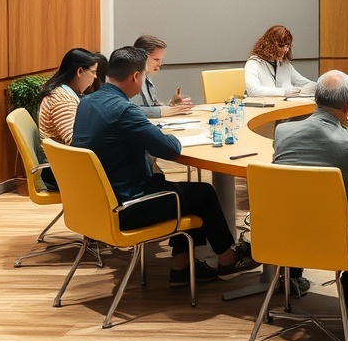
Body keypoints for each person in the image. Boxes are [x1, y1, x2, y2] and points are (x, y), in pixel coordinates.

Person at [73, 46, 258, 286]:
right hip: (127, 206)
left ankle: (181, 267)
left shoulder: (87, 102)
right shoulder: (124, 110)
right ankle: (228, 259)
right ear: (136, 77)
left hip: (95, 204)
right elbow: (170, 148)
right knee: (202, 194)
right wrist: (153, 132)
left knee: (185, 191)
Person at [272, 70, 348, 309]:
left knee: (300, 199)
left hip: (285, 233)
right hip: (337, 236)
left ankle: (292, 274)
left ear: (316, 98)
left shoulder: (283, 133)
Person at [36, 48, 102, 189]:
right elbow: (74, 141)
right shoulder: (61, 99)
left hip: (65, 164)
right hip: (60, 170)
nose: (95, 77)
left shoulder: (66, 94)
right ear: (79, 72)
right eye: (93, 72)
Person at [245, 25, 315, 98]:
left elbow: (305, 83)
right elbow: (252, 90)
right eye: (281, 46)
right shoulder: (254, 63)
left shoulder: (284, 64)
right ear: (269, 45)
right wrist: (284, 92)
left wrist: (317, 87)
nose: (286, 50)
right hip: (265, 107)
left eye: (288, 46)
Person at [132, 35, 193, 117]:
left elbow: (151, 106)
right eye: (156, 59)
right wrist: (161, 111)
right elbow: (129, 110)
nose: (160, 64)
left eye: (161, 60)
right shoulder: (128, 80)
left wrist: (171, 105)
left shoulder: (147, 80)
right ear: (141, 57)